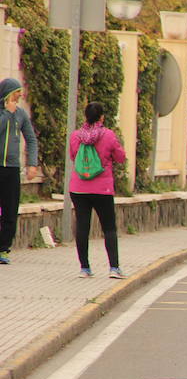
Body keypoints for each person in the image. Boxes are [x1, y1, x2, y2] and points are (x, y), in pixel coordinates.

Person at [68, 102, 127, 278]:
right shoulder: (108, 135)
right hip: (102, 189)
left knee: (82, 226)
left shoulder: (76, 136)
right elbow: (120, 157)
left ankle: (85, 268)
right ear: (101, 117)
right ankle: (114, 268)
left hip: (79, 188)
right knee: (108, 227)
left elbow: (73, 156)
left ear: (86, 116)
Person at [0, 78, 39, 264]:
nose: (19, 96)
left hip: (12, 168)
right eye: (16, 93)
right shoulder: (5, 113)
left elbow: (31, 139)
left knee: (10, 209)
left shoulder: (21, 114)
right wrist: (7, 114)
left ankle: (4, 248)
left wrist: (32, 163)